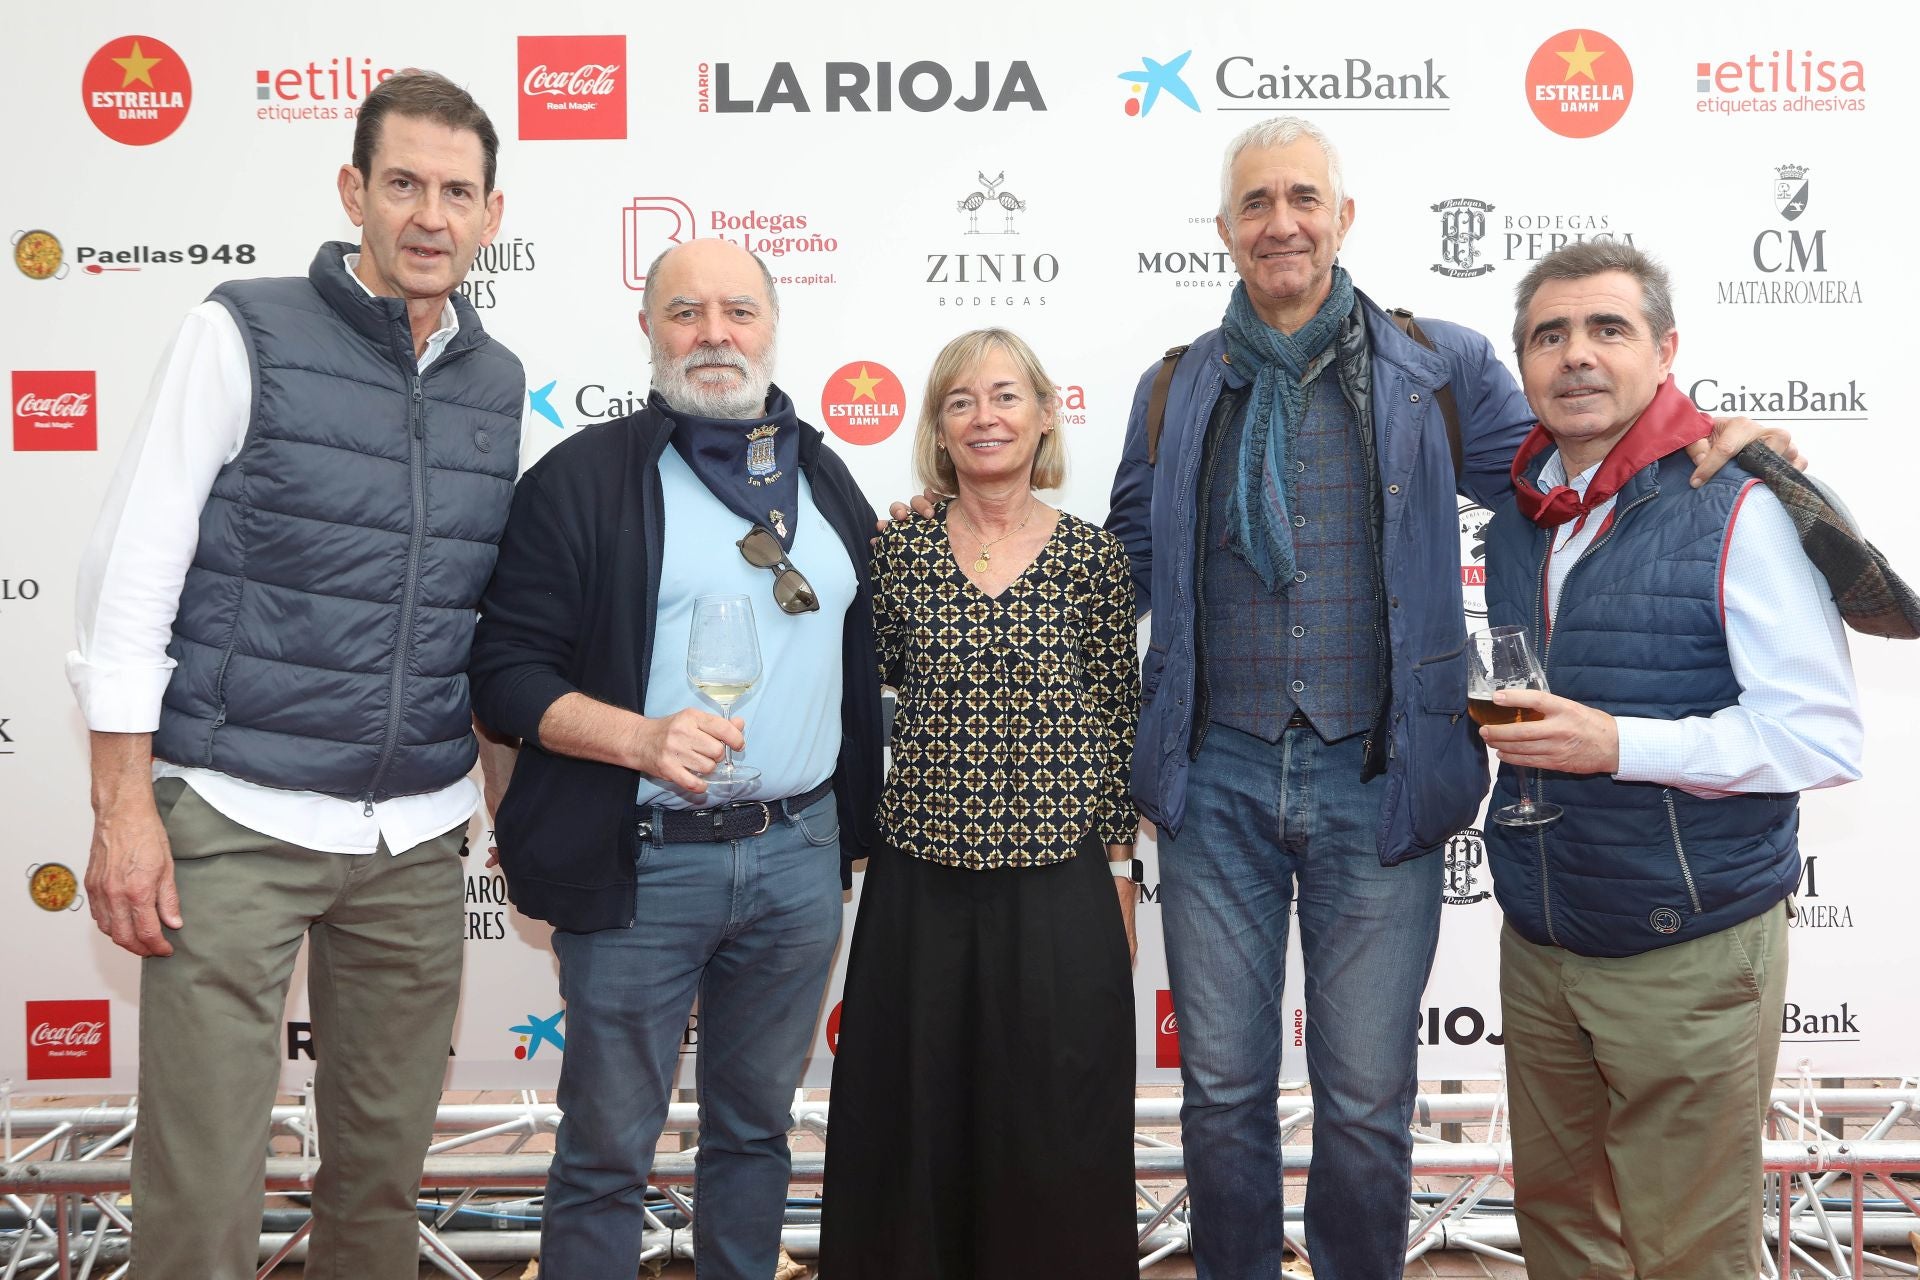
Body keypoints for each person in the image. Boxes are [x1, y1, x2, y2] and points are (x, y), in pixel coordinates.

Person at [1099, 115, 1793, 1279]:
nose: (1282, 221)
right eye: (1257, 202)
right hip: (1212, 781)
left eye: (1303, 197)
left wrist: (1714, 435)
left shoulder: (1443, 368)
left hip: (1381, 785)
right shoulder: (1172, 387)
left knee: (1368, 1097)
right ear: (1224, 231)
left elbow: (1585, 455)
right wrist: (980, 532)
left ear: (1343, 217)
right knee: (1219, 1090)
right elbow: (1115, 560)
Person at [66, 71, 522, 1279]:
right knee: (202, 1191)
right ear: (353, 190)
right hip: (231, 815)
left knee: (379, 1188)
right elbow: (130, 575)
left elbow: (477, 619)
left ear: (489, 214)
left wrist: (504, 807)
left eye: (457, 192)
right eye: (405, 184)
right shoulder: (241, 328)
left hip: (416, 837)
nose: (431, 214)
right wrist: (123, 811)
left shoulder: (498, 382)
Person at [466, 237, 883, 1279]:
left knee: (754, 1135)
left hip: (796, 859)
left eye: (738, 311)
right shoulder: (583, 479)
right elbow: (504, 674)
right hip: (642, 860)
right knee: (608, 1149)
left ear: (772, 327)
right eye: (686, 311)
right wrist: (639, 737)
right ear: (647, 329)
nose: (714, 334)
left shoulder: (823, 476)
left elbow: (871, 641)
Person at [1476, 240, 1862, 1279]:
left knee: (1690, 1247)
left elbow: (1819, 733)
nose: (1577, 356)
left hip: (1684, 939)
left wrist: (1618, 745)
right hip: (1545, 932)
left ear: (1667, 350)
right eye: (1549, 335)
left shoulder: (1737, 499)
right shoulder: (1521, 507)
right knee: (1563, 1224)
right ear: (1521, 365)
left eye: (1609, 328)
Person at [820, 329, 1142, 1278]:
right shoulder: (897, 550)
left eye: (1006, 396)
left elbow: (1117, 727)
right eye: (961, 400)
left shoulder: (1093, 559)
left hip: (1057, 880)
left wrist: (1122, 870)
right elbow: (854, 696)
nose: (985, 416)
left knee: (1054, 1118)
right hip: (920, 879)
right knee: (913, 1115)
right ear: (937, 427)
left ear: (1045, 414)